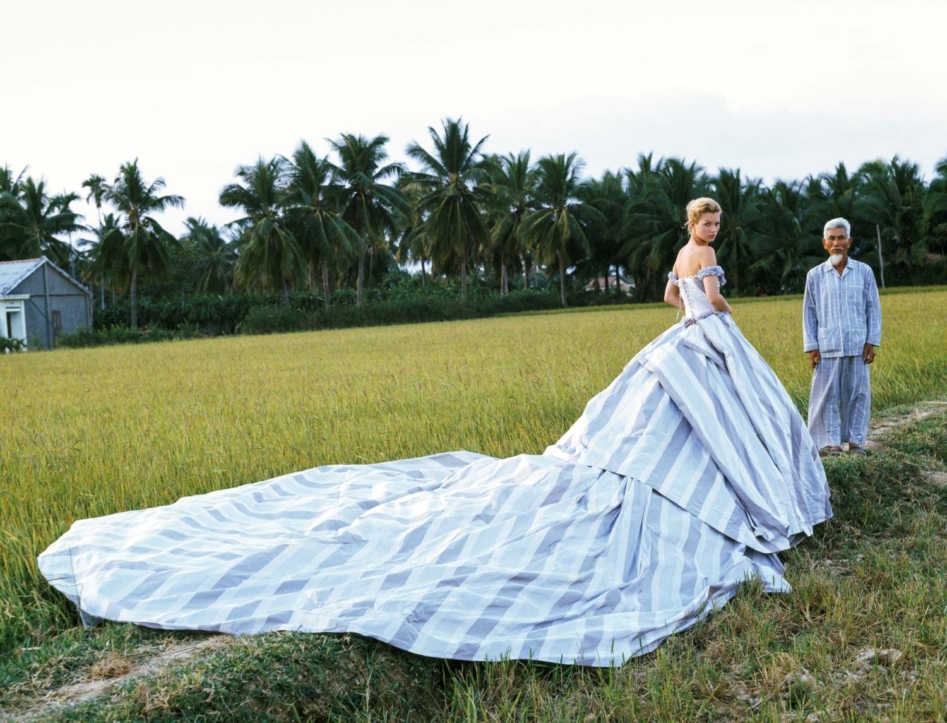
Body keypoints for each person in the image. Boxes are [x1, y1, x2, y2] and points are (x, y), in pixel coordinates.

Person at [39, 199, 832, 668]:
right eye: (708, 219)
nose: (711, 227)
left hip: (678, 349)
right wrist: (722, 312)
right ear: (696, 226)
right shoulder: (706, 262)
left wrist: (696, 308)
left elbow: (669, 299)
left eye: (713, 220)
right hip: (706, 346)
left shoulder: (678, 258)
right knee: (702, 432)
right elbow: (702, 303)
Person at [803, 218, 882, 457]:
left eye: (841, 238)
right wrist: (812, 346)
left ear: (849, 241)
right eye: (832, 238)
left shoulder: (864, 272)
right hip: (827, 346)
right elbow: (809, 311)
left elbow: (873, 308)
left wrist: (871, 341)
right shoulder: (815, 275)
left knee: (857, 393)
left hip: (858, 344)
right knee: (827, 395)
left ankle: (855, 442)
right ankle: (830, 443)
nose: (837, 243)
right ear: (824, 243)